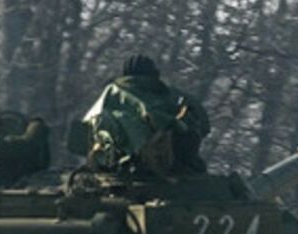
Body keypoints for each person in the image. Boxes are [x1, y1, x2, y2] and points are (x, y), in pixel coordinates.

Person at [75, 54, 210, 176]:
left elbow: (82, 134)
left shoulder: (112, 95)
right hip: (180, 170)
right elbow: (203, 125)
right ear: (154, 74)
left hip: (123, 170)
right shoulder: (174, 96)